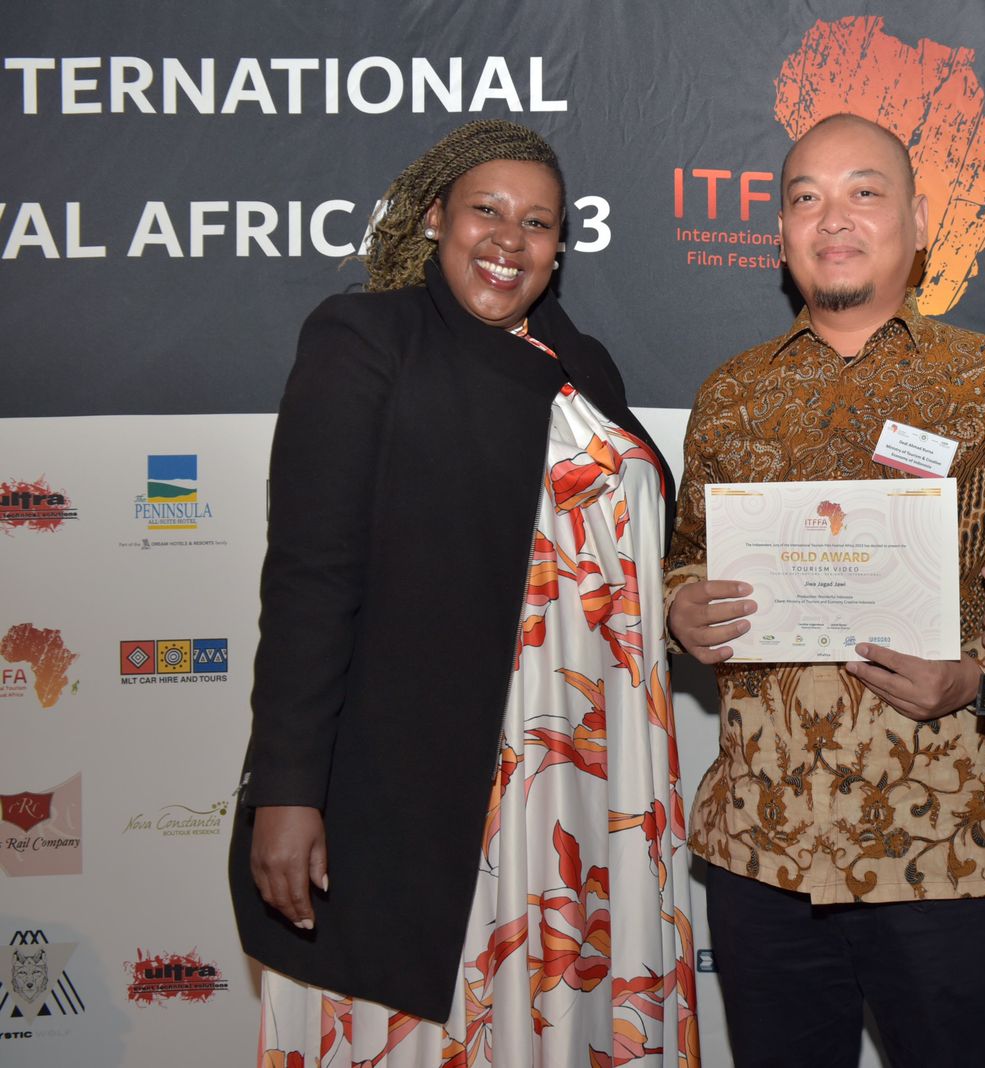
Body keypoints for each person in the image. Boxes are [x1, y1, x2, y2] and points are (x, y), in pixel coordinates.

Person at [227, 120, 699, 1067]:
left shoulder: (586, 366)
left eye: (537, 223)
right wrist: (287, 788)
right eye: (487, 210)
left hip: (589, 773)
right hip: (425, 787)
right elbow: (312, 578)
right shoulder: (367, 339)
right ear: (436, 217)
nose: (508, 239)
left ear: (559, 249)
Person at [665, 113, 985, 1067]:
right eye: (806, 198)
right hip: (762, 852)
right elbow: (689, 557)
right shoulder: (729, 396)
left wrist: (974, 683)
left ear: (919, 223)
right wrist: (679, 607)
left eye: (864, 193)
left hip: (947, 850)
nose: (833, 218)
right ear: (781, 234)